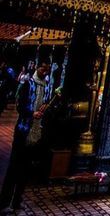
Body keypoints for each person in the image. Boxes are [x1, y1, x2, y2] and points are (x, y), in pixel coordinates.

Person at [0, 60, 51, 213]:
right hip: (23, 129)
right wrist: (31, 114)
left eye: (47, 70)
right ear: (37, 67)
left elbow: (45, 104)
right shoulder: (28, 84)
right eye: (43, 69)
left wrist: (45, 108)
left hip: (36, 131)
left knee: (25, 169)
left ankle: (17, 201)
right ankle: (4, 202)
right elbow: (20, 105)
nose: (45, 72)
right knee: (14, 167)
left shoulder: (47, 86)